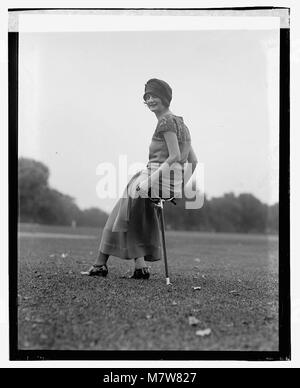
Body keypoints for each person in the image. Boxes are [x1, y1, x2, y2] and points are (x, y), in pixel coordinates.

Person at [82, 78, 198, 279]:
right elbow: (193, 161)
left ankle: (100, 265)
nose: (151, 100)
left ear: (165, 98)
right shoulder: (182, 124)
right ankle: (140, 266)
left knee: (118, 216)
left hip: (154, 180)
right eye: (147, 97)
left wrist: (148, 183)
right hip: (169, 184)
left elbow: (174, 157)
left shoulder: (165, 121)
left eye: (155, 95)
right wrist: (178, 189)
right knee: (136, 217)